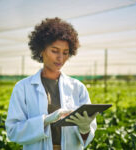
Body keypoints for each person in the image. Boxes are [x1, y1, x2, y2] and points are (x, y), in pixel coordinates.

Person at [5, 17, 98, 150]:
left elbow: (87, 136)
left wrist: (84, 128)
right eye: (55, 51)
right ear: (41, 50)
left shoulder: (78, 88)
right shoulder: (23, 88)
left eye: (65, 53)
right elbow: (13, 131)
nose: (60, 58)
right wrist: (44, 121)